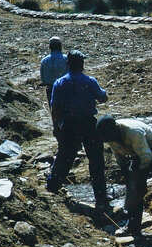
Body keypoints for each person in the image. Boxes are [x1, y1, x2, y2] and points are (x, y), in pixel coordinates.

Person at [96, 115, 152, 247]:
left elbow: (147, 157)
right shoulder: (109, 135)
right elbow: (119, 155)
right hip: (138, 154)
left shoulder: (133, 132)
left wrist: (139, 177)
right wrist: (127, 175)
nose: (107, 140)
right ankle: (133, 226)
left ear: (114, 130)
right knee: (134, 190)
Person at [45, 50, 108, 220]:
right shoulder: (89, 81)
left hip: (69, 125)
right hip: (88, 123)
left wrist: (57, 127)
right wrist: (103, 93)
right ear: (82, 64)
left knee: (65, 156)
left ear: (67, 64)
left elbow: (55, 108)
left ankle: (52, 187)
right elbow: (103, 98)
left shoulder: (59, 83)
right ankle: (101, 199)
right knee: (96, 161)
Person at [39, 37, 68, 109]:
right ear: (60, 46)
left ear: (50, 47)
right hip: (65, 88)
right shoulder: (66, 59)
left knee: (54, 110)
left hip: (51, 89)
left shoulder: (44, 61)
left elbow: (43, 78)